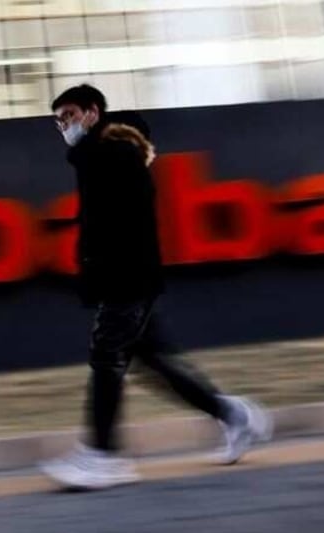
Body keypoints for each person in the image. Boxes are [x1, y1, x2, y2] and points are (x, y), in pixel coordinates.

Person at [40, 84, 273, 490]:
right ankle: (235, 416)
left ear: (92, 113)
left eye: (70, 115)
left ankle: (103, 455)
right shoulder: (102, 157)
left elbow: (121, 227)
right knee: (155, 364)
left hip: (127, 280)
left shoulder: (110, 156)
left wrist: (108, 273)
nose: (64, 125)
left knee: (107, 360)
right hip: (128, 279)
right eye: (59, 120)